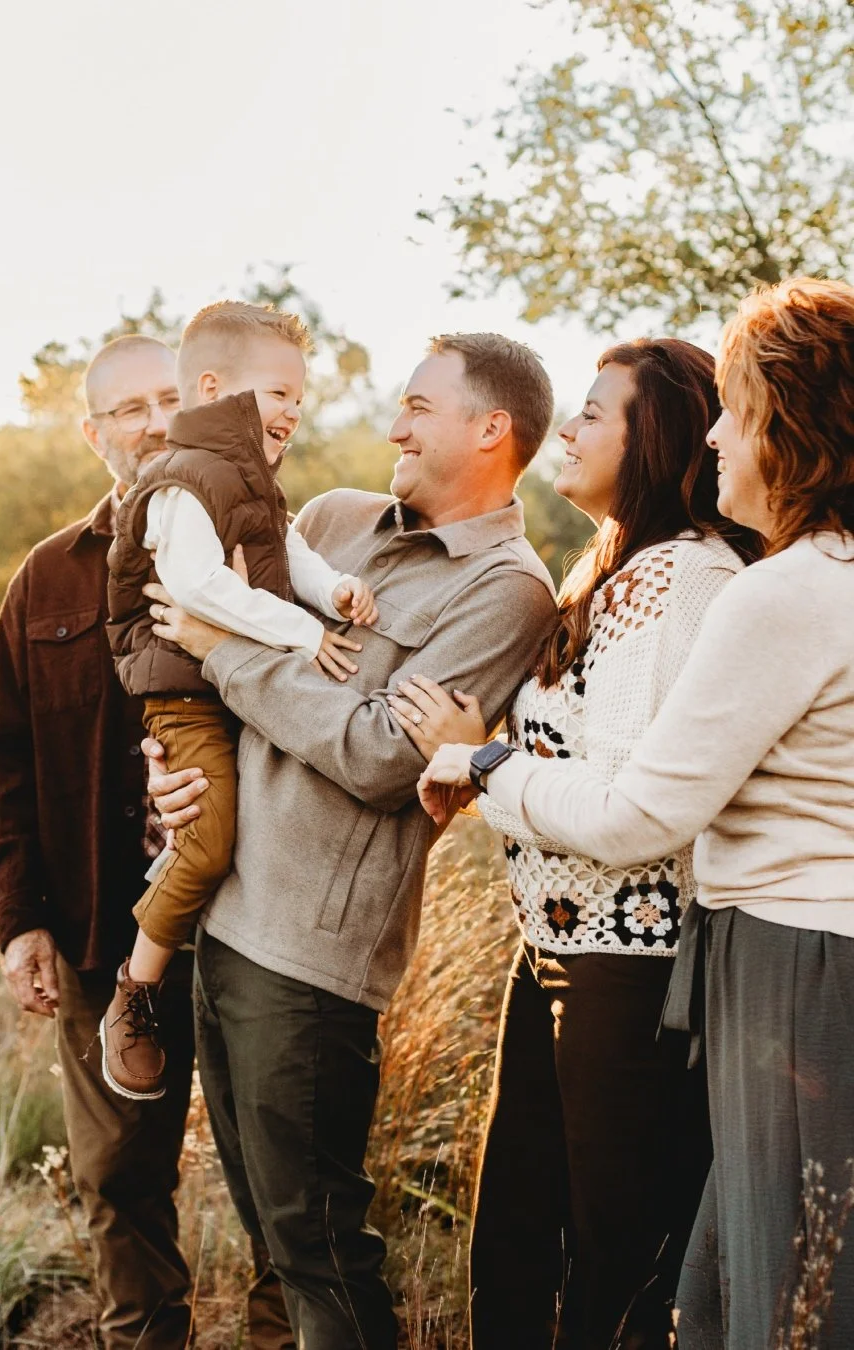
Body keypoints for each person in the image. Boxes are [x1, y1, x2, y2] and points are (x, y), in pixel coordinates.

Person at [421, 277, 854, 1349]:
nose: (716, 436)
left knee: (687, 1268)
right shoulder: (659, 578)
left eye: (737, 410)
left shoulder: (739, 588)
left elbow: (636, 810)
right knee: (680, 1269)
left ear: (784, 430)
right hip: (639, 944)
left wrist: (487, 767)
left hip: (704, 950)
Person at [141, 333, 560, 1348]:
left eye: (417, 406)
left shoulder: (507, 591)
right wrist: (173, 747)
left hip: (314, 965)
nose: (393, 426)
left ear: (489, 429)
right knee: (276, 1247)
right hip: (222, 916)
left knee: (322, 1249)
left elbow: (378, 761)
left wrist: (230, 656)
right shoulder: (327, 522)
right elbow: (192, 638)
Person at [391, 338, 759, 1348]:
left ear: (659, 440)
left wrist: (483, 766)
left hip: (629, 968)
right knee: (515, 1234)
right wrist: (483, 771)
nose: (570, 429)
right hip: (557, 948)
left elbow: (633, 808)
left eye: (597, 412)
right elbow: (575, 760)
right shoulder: (610, 567)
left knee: (613, 1259)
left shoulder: (681, 579)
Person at [0, 335, 250, 1350]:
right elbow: (5, 767)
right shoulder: (45, 581)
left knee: (276, 1175)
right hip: (100, 932)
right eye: (128, 408)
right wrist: (22, 924)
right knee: (114, 1176)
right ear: (94, 436)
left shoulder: (253, 552)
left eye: (172, 399)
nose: (155, 422)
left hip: (249, 927)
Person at [102, 301, 377, 1103]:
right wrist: (301, 630)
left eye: (300, 395)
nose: (294, 409)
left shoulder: (249, 476)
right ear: (215, 387)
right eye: (278, 392)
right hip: (182, 691)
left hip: (226, 681)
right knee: (211, 836)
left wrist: (336, 589)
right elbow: (194, 584)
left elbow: (287, 550)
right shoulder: (185, 475)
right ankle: (136, 989)